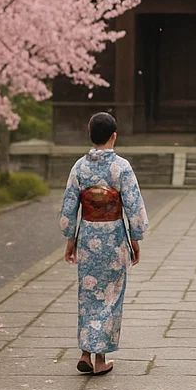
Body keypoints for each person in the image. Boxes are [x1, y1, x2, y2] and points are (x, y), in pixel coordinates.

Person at [59, 111, 148, 376]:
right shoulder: (121, 167)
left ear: (90, 135)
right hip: (113, 238)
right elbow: (134, 206)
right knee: (111, 295)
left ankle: (85, 353)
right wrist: (136, 237)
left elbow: (68, 209)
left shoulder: (80, 167)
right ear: (114, 136)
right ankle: (100, 359)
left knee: (88, 294)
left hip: (87, 235)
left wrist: (70, 239)